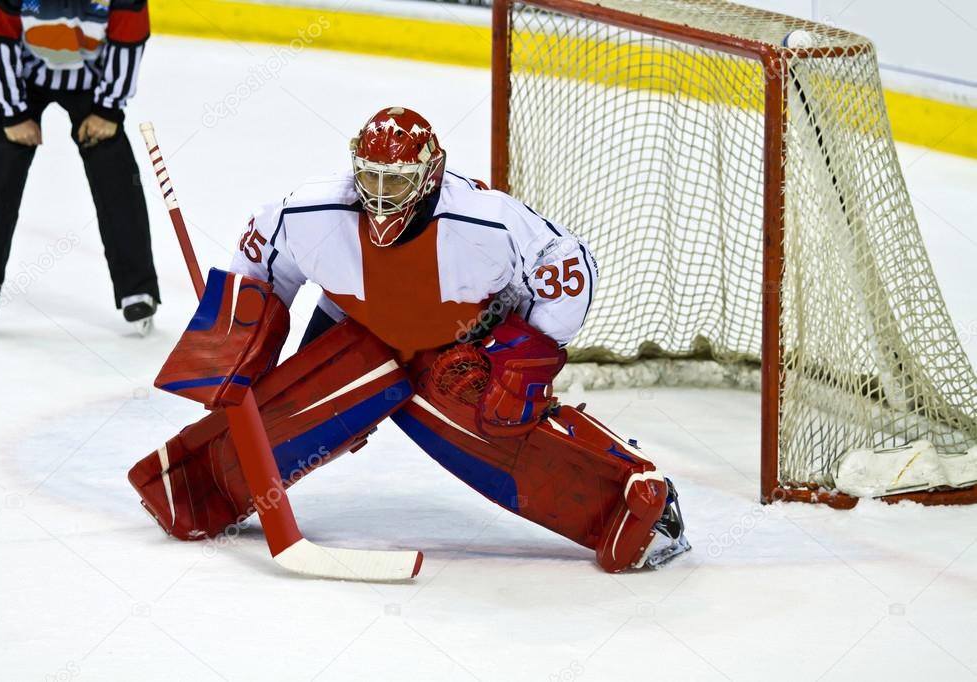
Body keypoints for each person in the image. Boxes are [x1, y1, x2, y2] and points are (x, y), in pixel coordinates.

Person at [128, 107, 691, 572]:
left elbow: (567, 265)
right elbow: (261, 261)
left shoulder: (484, 222)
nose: (378, 195)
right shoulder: (311, 212)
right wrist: (236, 342)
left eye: (395, 180)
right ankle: (193, 483)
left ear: (431, 173)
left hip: (458, 339)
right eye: (368, 177)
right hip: (358, 324)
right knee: (301, 407)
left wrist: (522, 359)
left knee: (486, 421)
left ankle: (639, 503)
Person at [0, 0, 159, 333]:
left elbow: (128, 43)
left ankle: (137, 287)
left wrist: (108, 110)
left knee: (115, 169)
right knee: (0, 162)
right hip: (25, 80)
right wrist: (13, 113)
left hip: (92, 85)